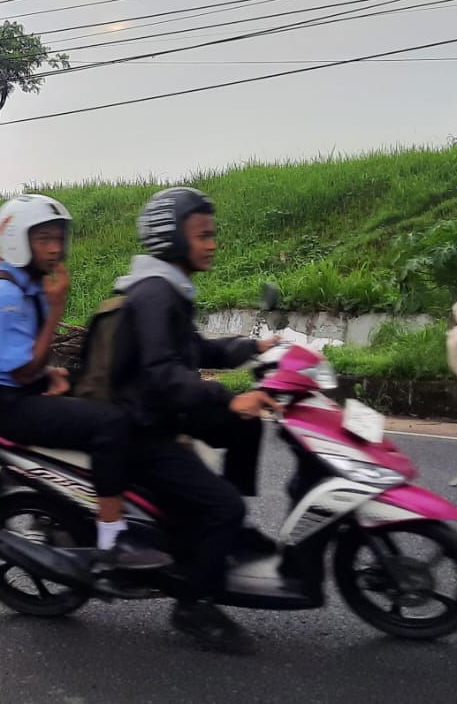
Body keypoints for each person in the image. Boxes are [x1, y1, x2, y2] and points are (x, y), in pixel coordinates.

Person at [0, 193, 171, 571]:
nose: (55, 248)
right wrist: (55, 311)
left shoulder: (25, 284)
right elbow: (20, 370)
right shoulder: (4, 294)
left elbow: (17, 357)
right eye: (43, 239)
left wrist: (48, 373)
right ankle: (112, 538)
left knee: (115, 406)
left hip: (9, 392)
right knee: (110, 423)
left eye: (58, 238)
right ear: (17, 240)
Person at [108, 186, 280, 656]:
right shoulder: (154, 293)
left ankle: (227, 532)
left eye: (211, 234)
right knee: (224, 506)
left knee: (247, 426)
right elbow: (163, 374)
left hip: (164, 409)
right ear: (173, 238)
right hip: (144, 428)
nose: (212, 244)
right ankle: (193, 605)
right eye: (202, 235)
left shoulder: (167, 288)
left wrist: (251, 347)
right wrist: (229, 400)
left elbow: (194, 349)